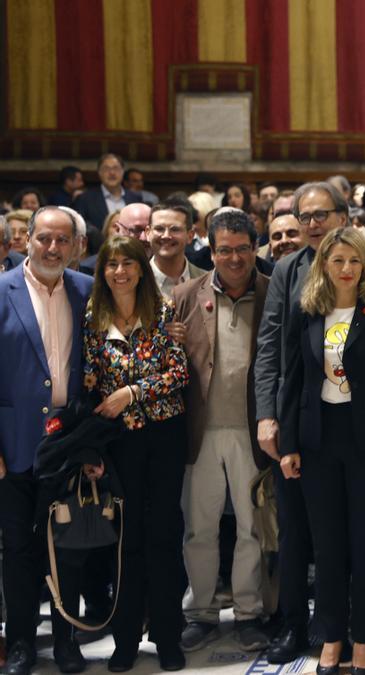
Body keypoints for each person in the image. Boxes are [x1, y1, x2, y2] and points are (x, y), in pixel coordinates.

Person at [253, 181, 365, 664]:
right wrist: (271, 420)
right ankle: (310, 628)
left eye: (320, 215)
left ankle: (363, 633)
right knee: (306, 536)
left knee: (363, 541)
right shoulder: (290, 273)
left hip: (363, 433)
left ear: (342, 217)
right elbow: (274, 350)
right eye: (302, 216)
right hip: (307, 428)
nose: (311, 224)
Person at [277, 227, 365, 675]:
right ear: (324, 266)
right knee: (327, 546)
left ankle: (363, 637)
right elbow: (291, 380)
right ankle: (332, 637)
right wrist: (288, 444)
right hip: (317, 439)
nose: (347, 269)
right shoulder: (307, 309)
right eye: (338, 262)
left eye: (354, 261)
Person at [82, 235, 189, 672]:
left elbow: (178, 373)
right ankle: (125, 638)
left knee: (163, 536)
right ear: (103, 272)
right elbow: (88, 385)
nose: (120, 271)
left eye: (128, 263)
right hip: (119, 443)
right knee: (126, 542)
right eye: (112, 264)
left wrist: (131, 392)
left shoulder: (161, 311)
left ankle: (167, 636)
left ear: (141, 269)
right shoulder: (92, 319)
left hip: (164, 435)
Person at [171, 209, 272, 653]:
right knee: (200, 527)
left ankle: (250, 613)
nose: (234, 258)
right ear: (210, 251)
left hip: (254, 431)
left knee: (253, 527)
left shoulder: (273, 293)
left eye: (243, 249)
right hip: (201, 430)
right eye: (224, 250)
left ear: (255, 249)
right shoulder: (184, 294)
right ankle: (202, 612)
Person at [0, 206, 93, 675]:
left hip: (69, 442)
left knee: (68, 547)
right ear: (26, 240)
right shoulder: (1, 292)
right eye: (43, 239)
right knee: (18, 550)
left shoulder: (87, 291)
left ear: (77, 246)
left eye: (62, 241)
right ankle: (19, 644)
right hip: (13, 443)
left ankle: (66, 641)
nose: (52, 249)